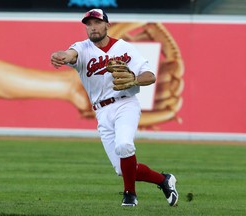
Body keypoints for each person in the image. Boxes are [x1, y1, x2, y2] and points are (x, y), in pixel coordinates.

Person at [50, 8, 179, 207]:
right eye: (89, 24)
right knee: (123, 169)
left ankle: (129, 195)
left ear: (107, 25)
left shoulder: (124, 48)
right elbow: (69, 54)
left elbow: (150, 75)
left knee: (124, 145)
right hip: (101, 111)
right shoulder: (82, 48)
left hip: (125, 103)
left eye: (97, 23)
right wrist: (60, 56)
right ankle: (164, 180)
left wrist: (134, 79)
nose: (93, 28)